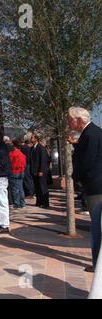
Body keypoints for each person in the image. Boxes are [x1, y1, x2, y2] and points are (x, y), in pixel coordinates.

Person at [68, 107, 102, 273]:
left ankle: (98, 264)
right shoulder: (93, 132)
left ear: (79, 120)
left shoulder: (90, 134)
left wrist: (75, 178)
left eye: (70, 120)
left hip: (95, 186)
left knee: (97, 227)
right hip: (96, 184)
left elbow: (86, 161)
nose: (68, 123)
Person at [30, 132, 50, 208]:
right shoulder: (33, 148)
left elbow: (43, 160)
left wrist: (41, 170)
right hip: (35, 171)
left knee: (43, 187)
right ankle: (39, 202)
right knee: (37, 187)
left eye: (32, 137)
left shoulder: (41, 148)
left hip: (40, 171)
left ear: (36, 139)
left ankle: (45, 203)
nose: (31, 139)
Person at [9, 139, 27, 209]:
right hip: (21, 172)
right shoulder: (22, 154)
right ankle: (22, 203)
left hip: (14, 172)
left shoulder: (12, 154)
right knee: (20, 188)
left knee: (15, 189)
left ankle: (17, 204)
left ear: (14, 145)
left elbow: (10, 163)